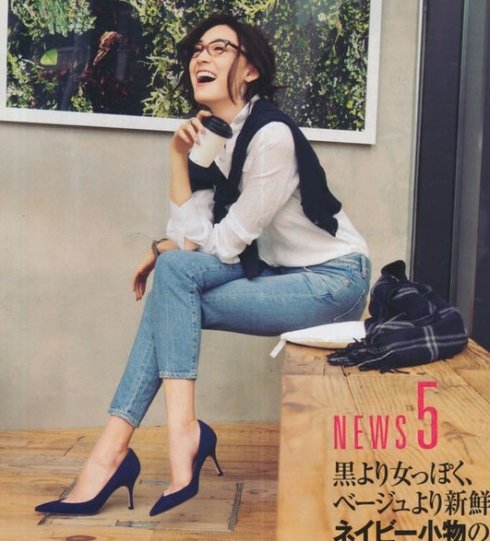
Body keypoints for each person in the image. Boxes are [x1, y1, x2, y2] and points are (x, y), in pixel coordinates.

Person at [35, 13, 370, 517]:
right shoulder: (213, 140)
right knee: (173, 284)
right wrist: (177, 157)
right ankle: (151, 443)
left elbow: (223, 245)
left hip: (333, 280)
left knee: (171, 292)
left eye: (219, 49)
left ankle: (133, 450)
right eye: (197, 51)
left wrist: (164, 250)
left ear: (250, 69)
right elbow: (193, 238)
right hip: (278, 272)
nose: (201, 58)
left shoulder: (271, 137)